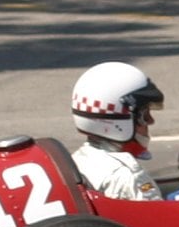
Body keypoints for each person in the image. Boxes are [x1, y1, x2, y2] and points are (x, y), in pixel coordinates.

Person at [69, 61, 165, 200]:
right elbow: (161, 218)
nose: (151, 121)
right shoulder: (128, 177)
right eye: (144, 115)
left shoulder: (77, 161)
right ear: (118, 121)